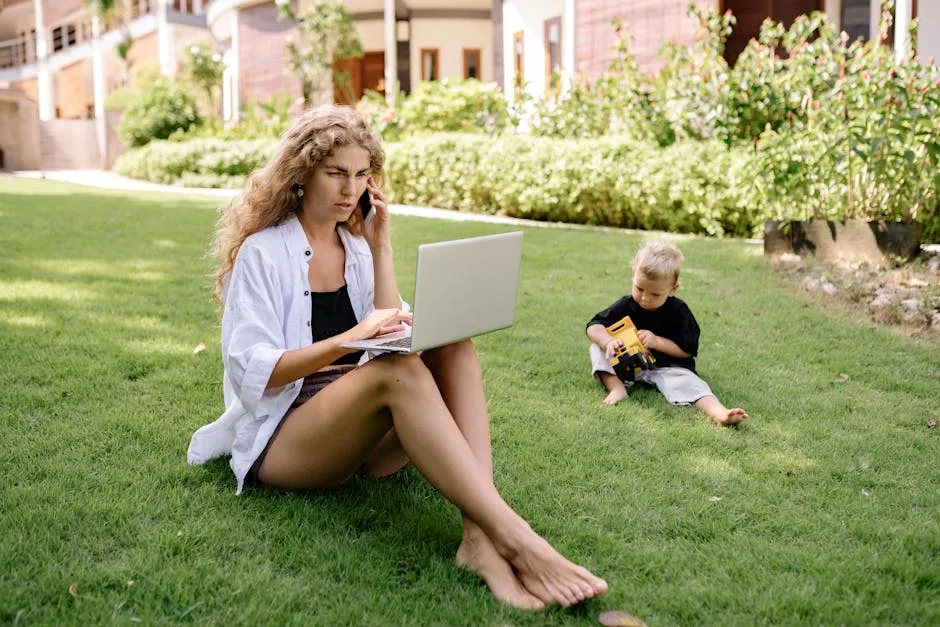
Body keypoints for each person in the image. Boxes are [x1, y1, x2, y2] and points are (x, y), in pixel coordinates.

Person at [187, 105, 607, 610]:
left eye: (362, 175)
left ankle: (478, 537)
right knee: (399, 372)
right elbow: (257, 371)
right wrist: (348, 340)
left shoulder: (356, 246)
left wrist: (381, 247)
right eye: (336, 174)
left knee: (454, 344)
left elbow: (386, 328)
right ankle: (518, 539)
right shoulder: (263, 252)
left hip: (358, 429)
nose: (351, 190)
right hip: (288, 440)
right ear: (301, 175)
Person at [585, 240, 748, 426]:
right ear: (633, 276)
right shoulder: (627, 304)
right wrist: (608, 342)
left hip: (668, 367)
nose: (645, 298)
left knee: (691, 384)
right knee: (596, 348)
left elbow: (687, 350)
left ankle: (719, 413)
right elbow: (594, 326)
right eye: (639, 289)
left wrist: (657, 342)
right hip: (628, 365)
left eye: (655, 294)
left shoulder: (679, 312)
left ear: (672, 289)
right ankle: (616, 388)